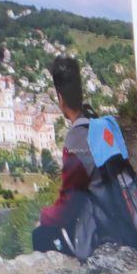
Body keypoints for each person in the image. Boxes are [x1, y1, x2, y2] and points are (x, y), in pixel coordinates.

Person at [31, 54, 91, 254]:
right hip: (117, 214)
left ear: (60, 97)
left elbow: (67, 207)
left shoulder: (75, 141)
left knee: (38, 235)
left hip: (99, 227)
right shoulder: (98, 123)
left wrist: (43, 216)